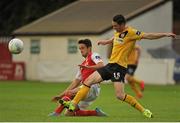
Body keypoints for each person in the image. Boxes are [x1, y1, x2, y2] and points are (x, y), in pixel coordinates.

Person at [60, 14, 176, 118]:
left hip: (119, 68)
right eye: (113, 26)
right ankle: (73, 104)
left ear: (122, 24)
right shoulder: (117, 32)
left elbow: (148, 35)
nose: (113, 28)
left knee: (120, 96)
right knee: (88, 81)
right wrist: (107, 41)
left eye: (115, 26)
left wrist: (165, 34)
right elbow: (116, 37)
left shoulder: (131, 32)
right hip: (110, 65)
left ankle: (144, 110)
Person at [49, 39, 107, 116]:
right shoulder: (82, 65)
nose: (81, 50)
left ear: (89, 48)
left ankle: (56, 113)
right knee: (69, 113)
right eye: (80, 49)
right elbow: (75, 82)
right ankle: (96, 112)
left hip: (92, 87)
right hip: (85, 91)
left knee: (70, 93)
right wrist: (60, 95)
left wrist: (88, 67)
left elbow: (101, 65)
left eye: (82, 48)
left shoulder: (93, 55)